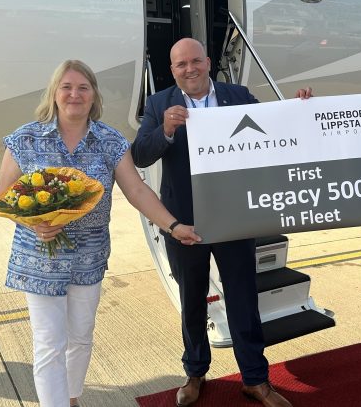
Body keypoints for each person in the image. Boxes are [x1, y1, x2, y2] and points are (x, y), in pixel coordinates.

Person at [0, 60, 199, 407]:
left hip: (88, 257)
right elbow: (5, 195)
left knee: (80, 337)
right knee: (48, 343)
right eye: (66, 87)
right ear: (54, 94)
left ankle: (72, 397)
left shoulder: (109, 141)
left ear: (93, 96)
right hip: (40, 258)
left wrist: (174, 226)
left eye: (83, 88)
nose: (74, 94)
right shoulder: (25, 138)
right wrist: (36, 223)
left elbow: (137, 190)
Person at [133, 38, 311, 407]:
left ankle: (256, 379)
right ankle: (195, 373)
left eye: (195, 61)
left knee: (243, 297)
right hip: (184, 221)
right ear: (172, 70)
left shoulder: (238, 95)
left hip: (234, 215)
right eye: (181, 65)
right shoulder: (159, 103)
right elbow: (140, 153)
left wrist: (300, 109)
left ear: (209, 62)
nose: (189, 69)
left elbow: (276, 129)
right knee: (193, 299)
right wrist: (165, 130)